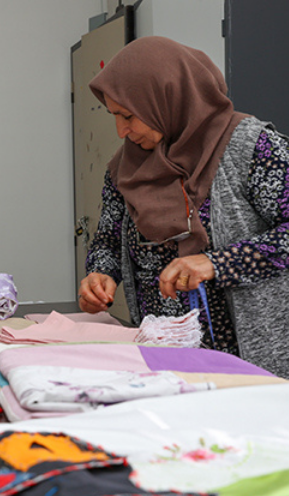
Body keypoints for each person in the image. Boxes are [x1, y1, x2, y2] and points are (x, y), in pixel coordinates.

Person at [78, 36, 289, 376]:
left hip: (248, 360)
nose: (120, 131)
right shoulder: (124, 167)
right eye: (114, 116)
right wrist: (100, 273)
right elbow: (108, 238)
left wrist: (218, 263)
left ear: (166, 100)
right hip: (162, 363)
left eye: (129, 116)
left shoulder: (251, 148)